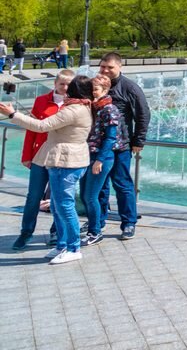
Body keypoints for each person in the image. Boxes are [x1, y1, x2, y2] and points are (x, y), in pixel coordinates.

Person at [0, 75, 94, 264]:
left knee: (64, 205)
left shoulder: (73, 110)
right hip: (64, 160)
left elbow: (42, 126)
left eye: (70, 87)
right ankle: (62, 244)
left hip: (66, 162)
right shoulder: (81, 106)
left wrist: (13, 115)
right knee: (57, 205)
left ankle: (73, 247)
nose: (66, 90)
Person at [12, 70, 73, 249]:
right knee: (34, 196)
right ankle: (26, 232)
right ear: (55, 83)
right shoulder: (41, 101)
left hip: (61, 157)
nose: (65, 87)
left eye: (69, 84)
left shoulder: (75, 103)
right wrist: (26, 156)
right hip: (40, 155)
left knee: (58, 196)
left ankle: (56, 231)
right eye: (62, 83)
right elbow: (31, 129)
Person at [97, 52, 150, 240]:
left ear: (119, 67)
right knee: (100, 186)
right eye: (103, 66)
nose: (105, 70)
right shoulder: (95, 85)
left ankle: (128, 222)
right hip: (98, 146)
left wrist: (138, 140)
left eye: (110, 67)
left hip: (121, 146)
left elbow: (143, 114)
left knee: (122, 184)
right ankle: (98, 221)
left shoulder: (129, 88)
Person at [81, 73, 129, 245]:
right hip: (88, 155)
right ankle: (94, 225)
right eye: (91, 89)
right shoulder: (94, 107)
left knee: (90, 196)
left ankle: (95, 231)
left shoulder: (109, 109)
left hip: (101, 157)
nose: (92, 92)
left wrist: (99, 160)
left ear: (105, 89)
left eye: (95, 89)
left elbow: (110, 138)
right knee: (86, 195)